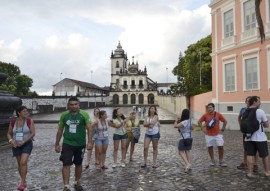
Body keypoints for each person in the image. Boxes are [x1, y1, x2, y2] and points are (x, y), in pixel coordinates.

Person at [55, 97, 92, 191]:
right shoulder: (64, 115)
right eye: (71, 104)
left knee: (78, 164)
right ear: (68, 105)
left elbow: (89, 128)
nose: (74, 106)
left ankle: (77, 182)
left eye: (75, 104)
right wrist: (57, 143)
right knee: (66, 164)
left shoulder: (84, 114)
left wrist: (90, 142)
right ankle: (66, 186)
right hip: (67, 143)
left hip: (80, 143)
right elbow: (60, 130)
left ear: (78, 105)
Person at [7, 106, 35, 191]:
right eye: (24, 111)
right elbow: (9, 133)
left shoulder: (29, 121)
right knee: (20, 164)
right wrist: (11, 141)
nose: (26, 112)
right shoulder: (13, 122)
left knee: (23, 162)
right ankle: (24, 180)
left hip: (27, 144)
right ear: (19, 113)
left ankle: (22, 182)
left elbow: (32, 133)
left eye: (27, 111)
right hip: (16, 145)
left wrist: (24, 141)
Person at [244, 96, 270, 178]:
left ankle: (250, 173)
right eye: (259, 101)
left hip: (248, 137)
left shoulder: (245, 112)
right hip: (260, 137)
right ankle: (267, 172)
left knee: (250, 155)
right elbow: (266, 125)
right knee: (265, 155)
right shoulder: (260, 111)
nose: (260, 103)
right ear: (254, 102)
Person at [237, 96, 259, 172]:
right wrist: (241, 125)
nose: (248, 101)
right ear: (245, 102)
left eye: (250, 100)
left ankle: (255, 164)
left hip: (254, 132)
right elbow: (239, 117)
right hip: (246, 132)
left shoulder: (256, 110)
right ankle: (245, 162)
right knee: (246, 148)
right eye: (247, 100)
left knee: (256, 148)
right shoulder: (243, 110)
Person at [174, 109, 193, 173]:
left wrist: (176, 120)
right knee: (187, 151)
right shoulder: (190, 121)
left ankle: (187, 164)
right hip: (189, 138)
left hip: (183, 138)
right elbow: (192, 128)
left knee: (180, 152)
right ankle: (189, 165)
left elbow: (175, 126)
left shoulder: (184, 122)